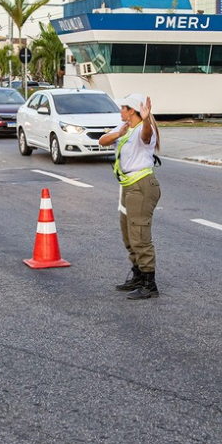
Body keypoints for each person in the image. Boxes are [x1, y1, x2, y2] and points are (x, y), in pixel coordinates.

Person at [98, 93, 162, 300]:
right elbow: (102, 141)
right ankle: (137, 275)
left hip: (141, 185)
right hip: (127, 186)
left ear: (131, 110)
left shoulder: (144, 130)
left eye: (122, 108)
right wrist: (118, 134)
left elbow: (146, 136)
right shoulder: (124, 128)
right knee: (128, 234)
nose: (120, 111)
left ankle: (149, 283)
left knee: (140, 235)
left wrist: (145, 120)